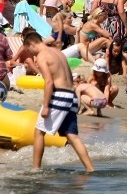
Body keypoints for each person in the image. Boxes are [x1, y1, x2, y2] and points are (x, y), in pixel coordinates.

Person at [23, 29, 94, 172]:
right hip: (72, 96)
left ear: (32, 44)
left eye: (28, 49)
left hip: (59, 96)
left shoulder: (43, 56)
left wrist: (45, 106)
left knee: (39, 132)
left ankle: (35, 169)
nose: (29, 53)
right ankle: (90, 169)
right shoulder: (59, 53)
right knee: (72, 136)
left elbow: (49, 82)